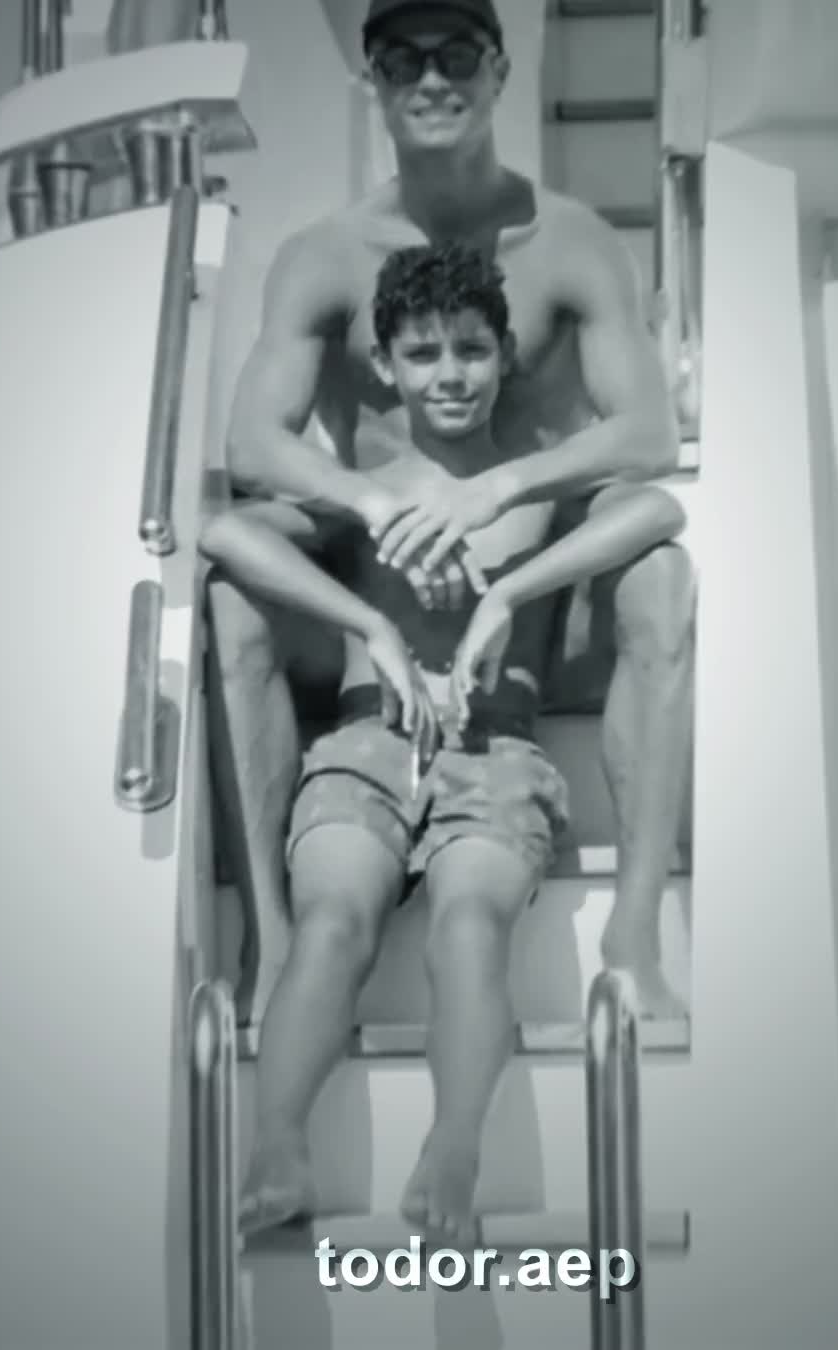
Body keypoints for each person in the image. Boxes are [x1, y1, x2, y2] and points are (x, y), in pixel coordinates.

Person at [206, 0, 696, 1030]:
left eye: (457, 55)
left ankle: (633, 938)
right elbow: (252, 443)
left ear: (499, 70)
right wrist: (375, 505)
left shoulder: (571, 242)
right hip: (376, 591)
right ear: (373, 85)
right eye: (403, 62)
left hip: (532, 596)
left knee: (661, 577)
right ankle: (270, 943)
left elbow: (648, 435)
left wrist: (500, 489)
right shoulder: (325, 256)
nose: (432, 80)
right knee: (233, 589)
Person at [199, 242, 686, 1244]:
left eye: (471, 349)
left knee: (470, 924)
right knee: (333, 917)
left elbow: (657, 504)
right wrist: (369, 625)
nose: (451, 374)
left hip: (493, 756)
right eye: (423, 354)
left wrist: (510, 590)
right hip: (364, 745)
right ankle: (278, 1146)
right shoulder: (364, 490)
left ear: (506, 354)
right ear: (386, 366)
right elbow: (226, 536)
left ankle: (453, 1149)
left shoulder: (530, 494)